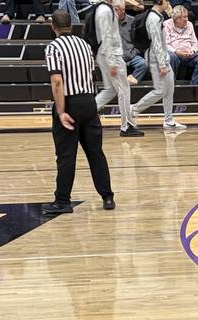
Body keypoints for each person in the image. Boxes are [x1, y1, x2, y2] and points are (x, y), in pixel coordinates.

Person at [43, 9, 115, 216]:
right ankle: (107, 197)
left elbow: (57, 81)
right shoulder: (84, 45)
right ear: (71, 25)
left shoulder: (53, 47)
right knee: (95, 152)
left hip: (70, 103)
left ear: (53, 27)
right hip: (89, 102)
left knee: (66, 155)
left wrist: (61, 110)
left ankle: (62, 201)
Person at [94, 0, 143, 136]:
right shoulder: (106, 11)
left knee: (110, 90)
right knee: (124, 90)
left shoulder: (102, 9)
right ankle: (126, 126)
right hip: (112, 55)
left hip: (104, 54)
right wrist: (112, 62)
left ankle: (86, 112)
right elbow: (107, 37)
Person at [130, 0, 182, 130]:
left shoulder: (159, 15)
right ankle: (133, 109)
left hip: (163, 58)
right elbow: (156, 43)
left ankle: (169, 120)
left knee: (169, 89)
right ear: (159, 1)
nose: (169, 3)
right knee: (160, 90)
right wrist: (162, 64)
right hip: (156, 60)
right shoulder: (153, 18)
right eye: (166, 1)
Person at [165, 5, 198, 83]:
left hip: (189, 55)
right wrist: (177, 52)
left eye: (187, 16)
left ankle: (195, 85)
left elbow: (195, 43)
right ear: (177, 19)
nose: (187, 19)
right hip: (175, 54)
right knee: (171, 56)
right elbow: (166, 45)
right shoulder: (166, 25)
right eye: (184, 17)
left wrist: (192, 51)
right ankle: (171, 84)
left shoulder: (189, 24)